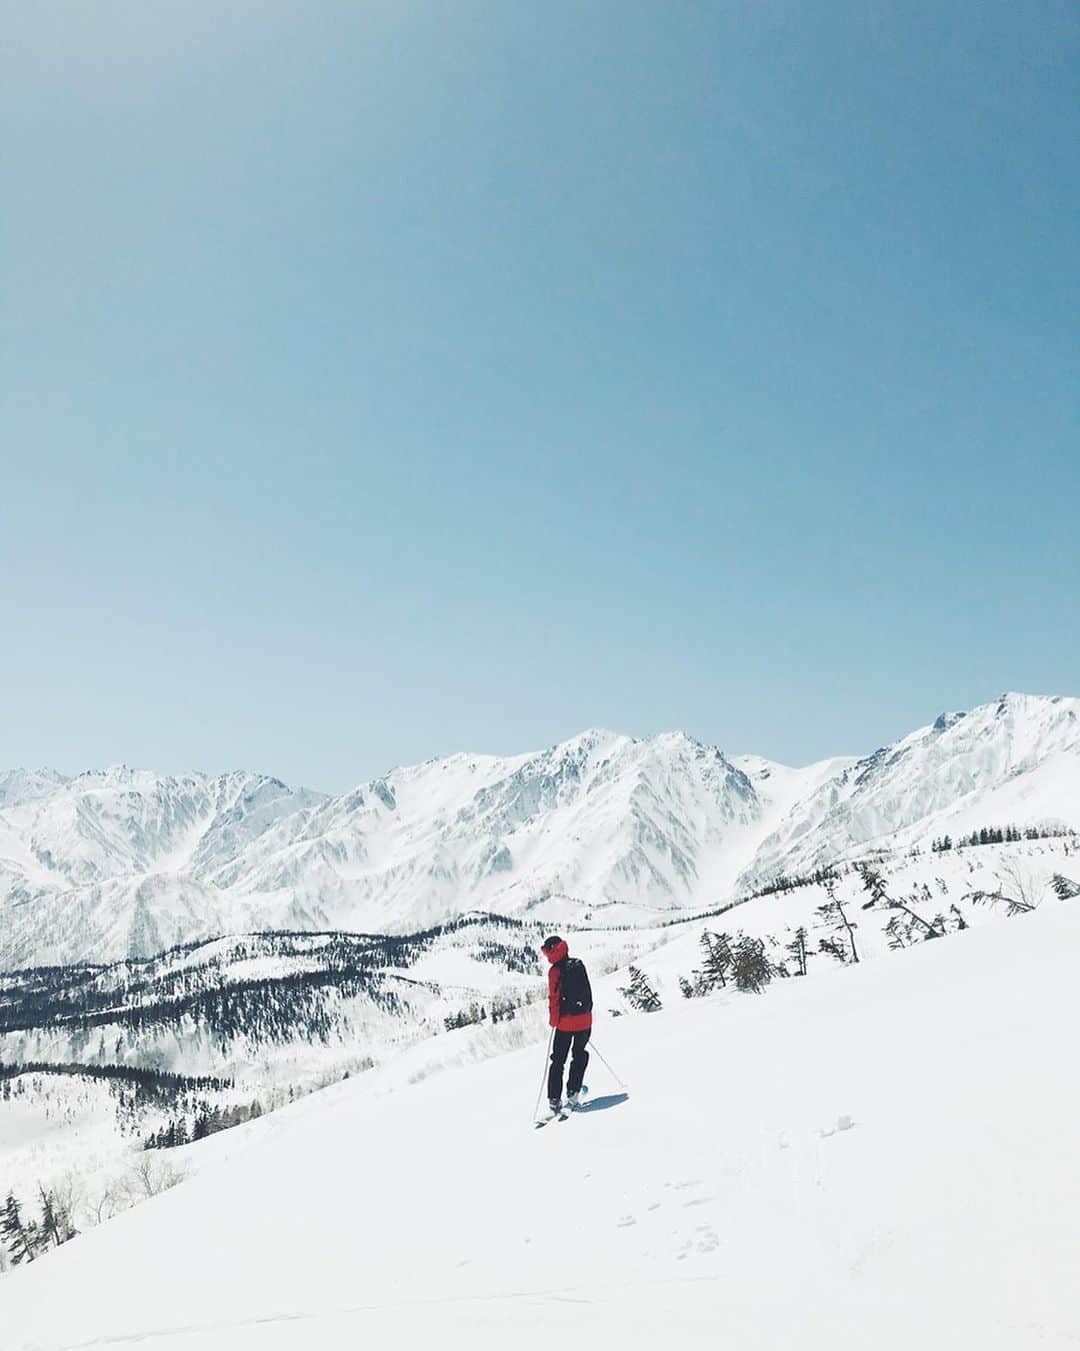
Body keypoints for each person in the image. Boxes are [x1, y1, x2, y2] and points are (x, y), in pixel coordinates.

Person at [541, 935, 593, 1113]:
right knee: (579, 1056)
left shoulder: (555, 972)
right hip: (585, 1020)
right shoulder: (578, 964)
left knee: (558, 1061)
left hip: (565, 1023)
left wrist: (554, 1021)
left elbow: (554, 999)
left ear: (551, 952)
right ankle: (573, 1092)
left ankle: (554, 1099)